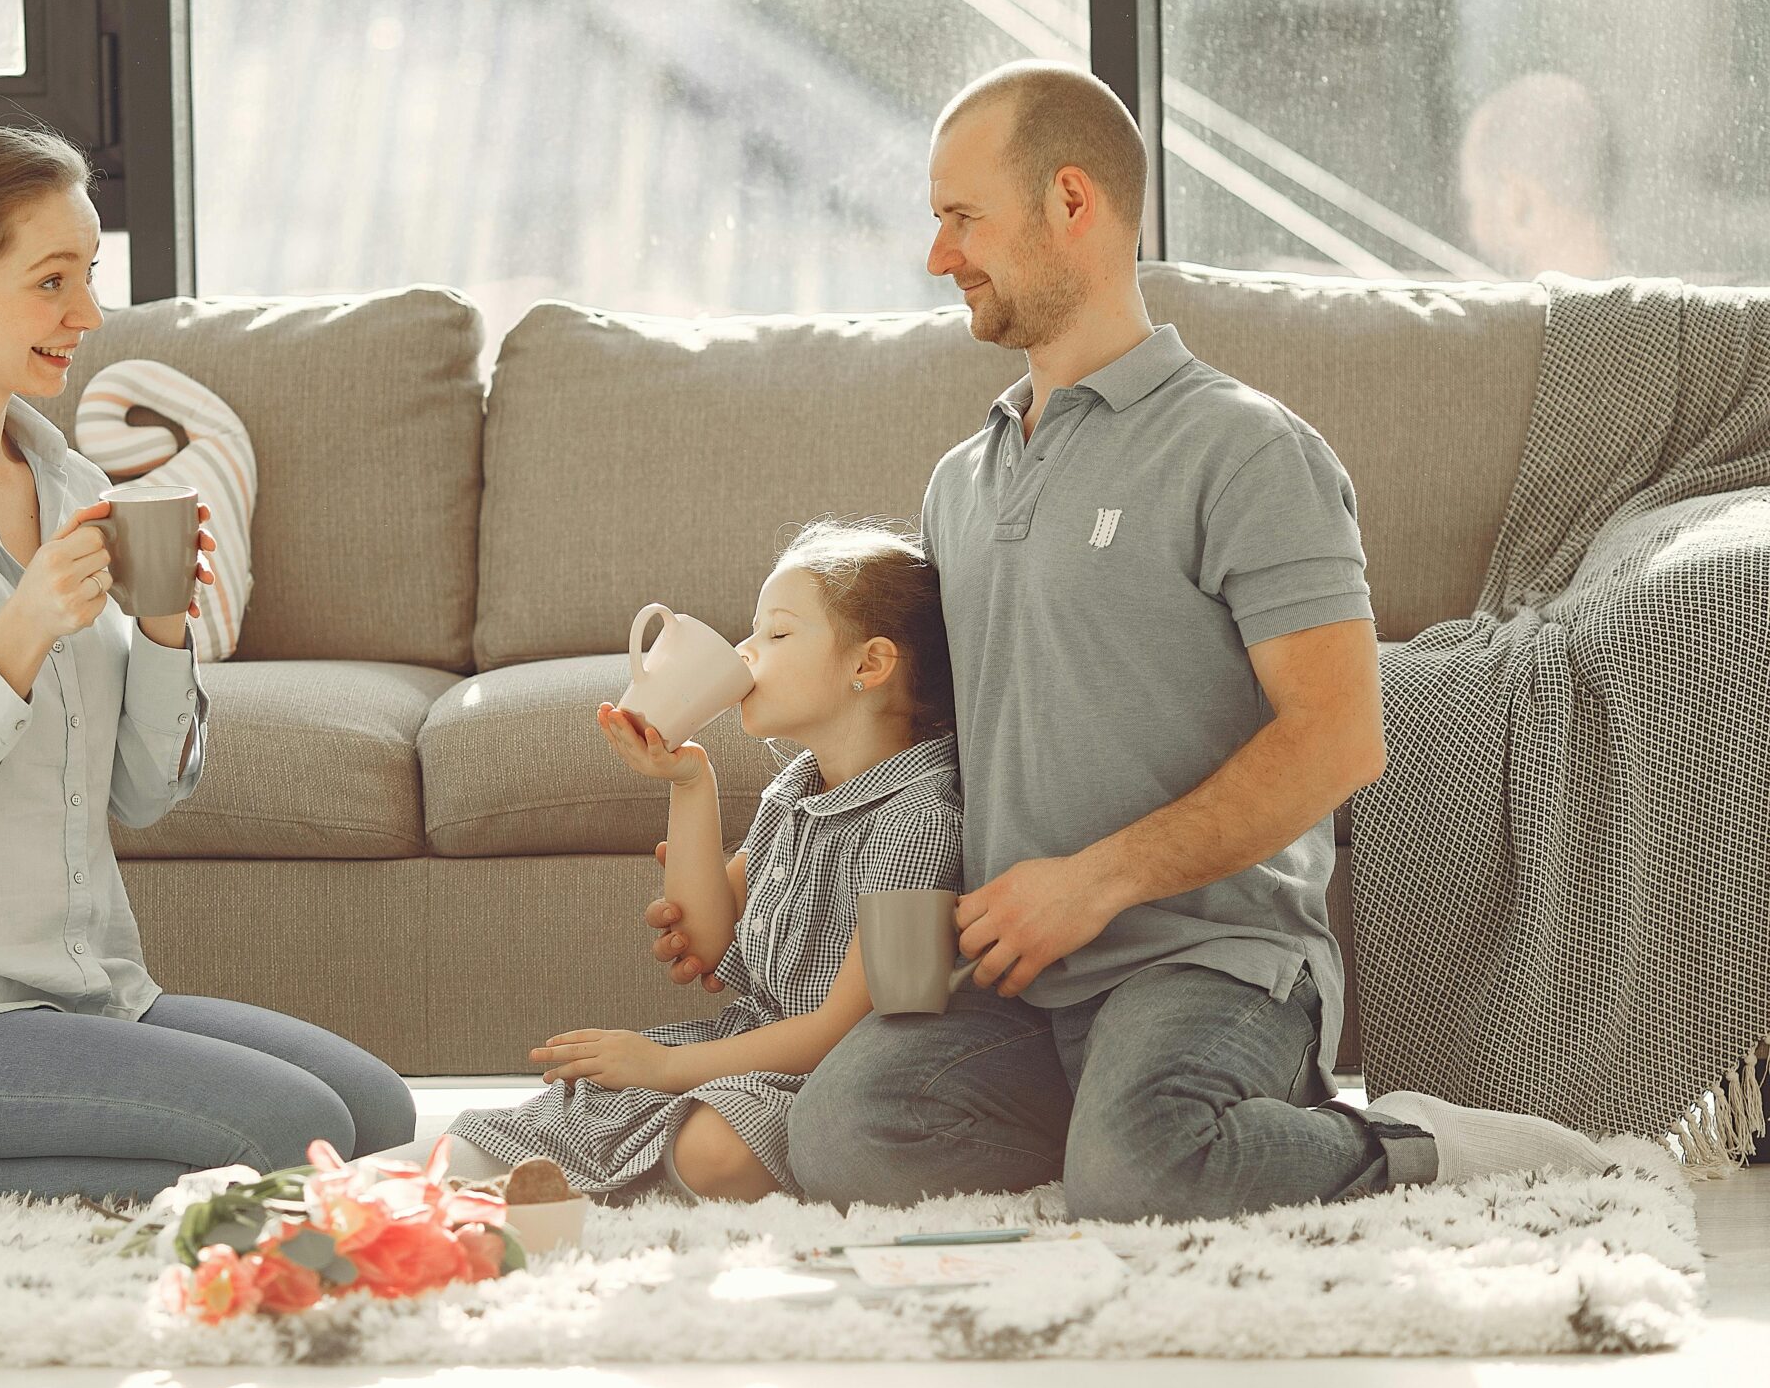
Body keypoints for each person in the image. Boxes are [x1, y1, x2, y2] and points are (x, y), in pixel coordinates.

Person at [649, 62, 1612, 1219]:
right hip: (1013, 977)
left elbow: (1340, 739)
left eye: (962, 218)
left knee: (1141, 1165)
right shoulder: (961, 481)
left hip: (1208, 961)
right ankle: (1133, 1130)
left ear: (1071, 203)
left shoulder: (1248, 455)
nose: (937, 255)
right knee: (844, 1132)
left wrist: (1092, 885)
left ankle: (1418, 1150)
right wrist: (755, 877)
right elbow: (929, 750)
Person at [0, 124, 414, 1200]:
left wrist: (158, 632)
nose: (87, 314)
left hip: (89, 996)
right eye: (52, 281)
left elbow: (142, 797)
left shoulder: (69, 483)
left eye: (88, 276)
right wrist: (23, 626)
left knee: (373, 1116)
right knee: (298, 1131)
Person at [399, 520, 962, 1203]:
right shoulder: (798, 787)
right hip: (752, 1046)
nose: (747, 652)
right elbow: (705, 941)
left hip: (839, 1075)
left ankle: (606, 1170)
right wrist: (689, 782)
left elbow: (847, 1030)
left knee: (710, 1146)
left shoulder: (921, 819)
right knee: (603, 1099)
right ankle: (485, 1172)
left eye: (776, 634)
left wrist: (666, 1065)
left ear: (868, 665)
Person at [1459, 71, 1620, 280]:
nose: (1473, 228)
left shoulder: (1518, 311)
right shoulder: (1657, 306)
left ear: (1521, 204)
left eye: (1473, 202)